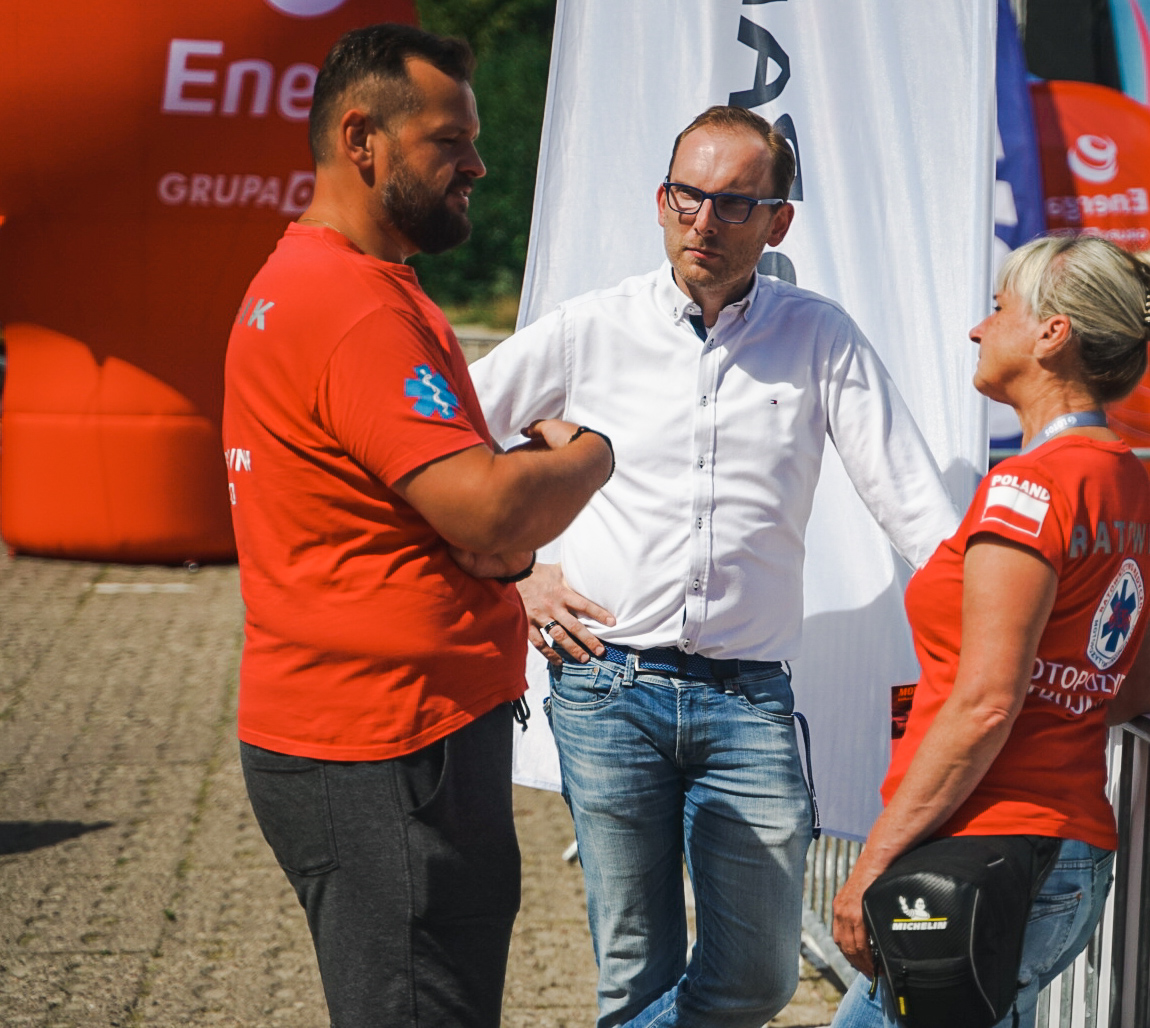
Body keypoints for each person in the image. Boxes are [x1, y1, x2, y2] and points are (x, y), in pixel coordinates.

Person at [469, 105, 959, 1028]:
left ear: (779, 221)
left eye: (735, 205)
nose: (705, 223)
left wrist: (1008, 625)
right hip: (606, 685)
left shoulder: (820, 337)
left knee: (761, 976)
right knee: (634, 970)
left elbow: (916, 511)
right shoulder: (591, 329)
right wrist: (520, 571)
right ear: (661, 200)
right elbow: (457, 430)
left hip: (749, 701)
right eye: (687, 198)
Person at [222, 24, 612, 1028]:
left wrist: (506, 523)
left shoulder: (321, 283)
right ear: (364, 139)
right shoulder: (350, 306)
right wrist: (593, 451)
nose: (477, 162)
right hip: (387, 747)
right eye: (449, 140)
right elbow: (482, 513)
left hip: (377, 737)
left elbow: (464, 517)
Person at [828, 234, 1150, 1027]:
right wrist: (1059, 699)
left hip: (987, 847)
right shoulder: (1128, 479)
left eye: (998, 310)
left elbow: (986, 703)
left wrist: (873, 862)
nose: (978, 330)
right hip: (1061, 850)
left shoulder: (1027, 488)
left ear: (1052, 334)